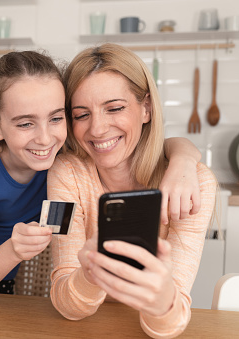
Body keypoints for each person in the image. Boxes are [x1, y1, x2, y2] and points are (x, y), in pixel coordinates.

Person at [0, 50, 202, 295]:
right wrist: (14, 250)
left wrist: (184, 160)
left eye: (55, 118)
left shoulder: (62, 159)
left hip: (3, 269)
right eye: (25, 123)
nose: (44, 138)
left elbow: (158, 142)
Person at [48, 43, 217, 338]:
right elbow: (65, 303)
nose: (98, 129)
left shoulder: (194, 182)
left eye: (114, 108)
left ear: (146, 108)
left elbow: (172, 323)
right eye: (81, 114)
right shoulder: (64, 173)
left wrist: (163, 300)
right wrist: (91, 273)